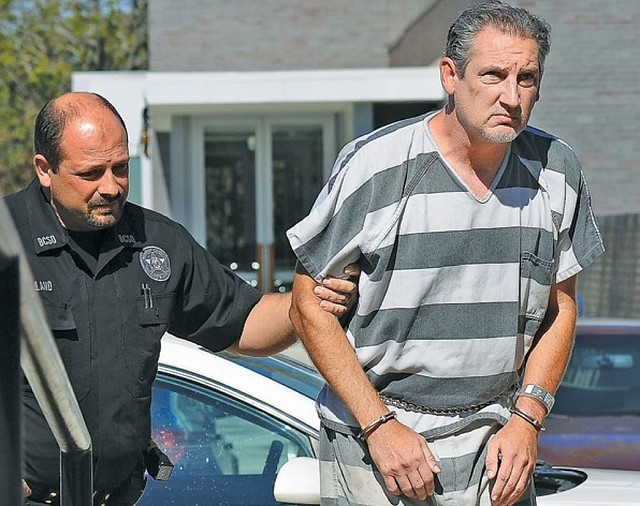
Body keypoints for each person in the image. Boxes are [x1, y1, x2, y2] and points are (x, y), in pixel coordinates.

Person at [287, 2, 605, 505]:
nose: (511, 95)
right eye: (494, 74)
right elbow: (306, 306)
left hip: (499, 447)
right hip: (380, 446)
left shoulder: (557, 169)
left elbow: (560, 309)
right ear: (450, 76)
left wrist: (527, 419)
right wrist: (378, 427)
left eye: (527, 77)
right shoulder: (377, 165)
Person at [3, 91, 357, 505]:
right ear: (45, 170)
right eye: (91, 173)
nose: (111, 186)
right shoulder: (6, 241)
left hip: (117, 496)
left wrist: (311, 296)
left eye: (120, 168)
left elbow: (244, 323)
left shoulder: (157, 241)